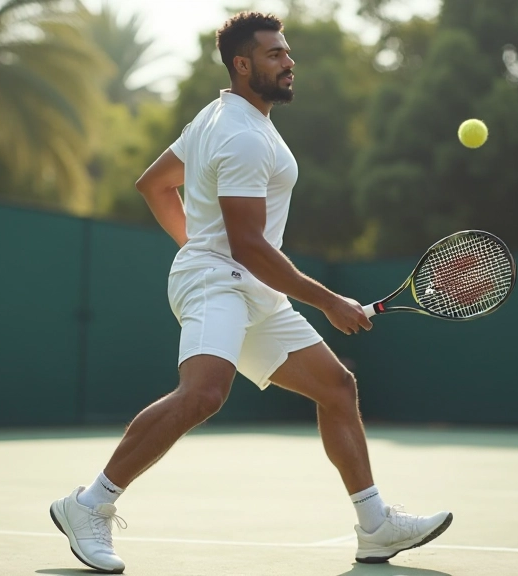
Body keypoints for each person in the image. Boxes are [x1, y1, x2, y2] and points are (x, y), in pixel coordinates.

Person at [49, 11, 452, 574]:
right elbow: (247, 247)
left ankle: (375, 525)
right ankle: (89, 504)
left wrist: (199, 243)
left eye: (286, 52)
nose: (289, 62)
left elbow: (154, 185)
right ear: (242, 65)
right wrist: (327, 300)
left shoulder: (221, 117)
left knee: (337, 387)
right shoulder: (241, 135)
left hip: (248, 286)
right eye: (274, 54)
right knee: (203, 393)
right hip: (221, 282)